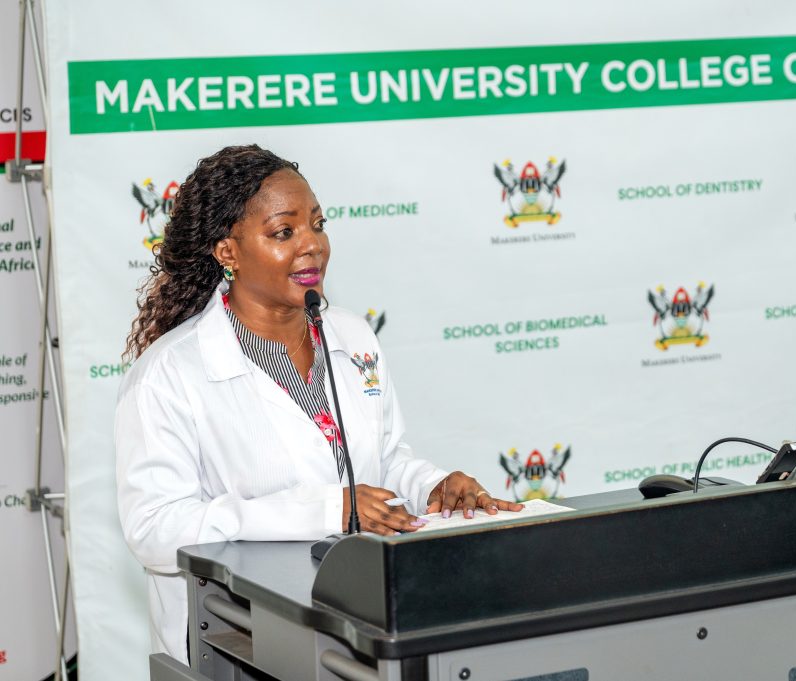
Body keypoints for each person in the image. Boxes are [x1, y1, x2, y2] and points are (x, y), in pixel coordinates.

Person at [115, 144, 522, 664]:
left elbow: (382, 461)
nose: (313, 245)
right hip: (238, 643)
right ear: (228, 252)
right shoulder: (169, 374)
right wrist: (324, 509)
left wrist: (432, 488)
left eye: (317, 224)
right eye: (283, 232)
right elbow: (155, 530)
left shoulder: (352, 336)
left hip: (357, 623)